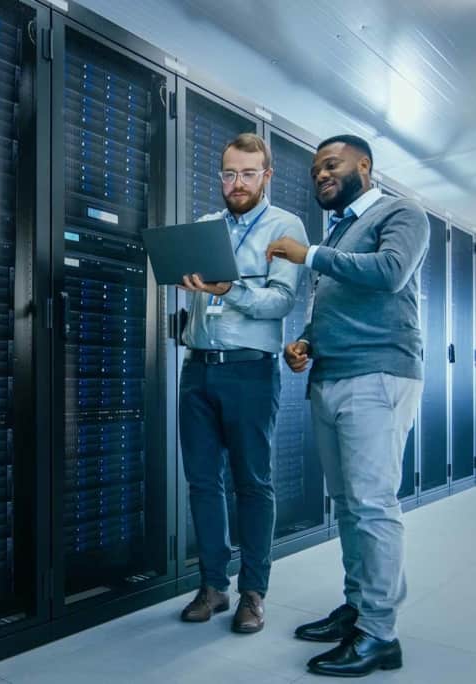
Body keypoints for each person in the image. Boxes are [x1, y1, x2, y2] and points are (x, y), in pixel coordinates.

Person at [267, 134, 429, 676]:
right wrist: (306, 341)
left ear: (365, 164)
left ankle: (380, 634)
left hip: (378, 374)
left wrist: (309, 254)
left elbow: (389, 273)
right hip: (332, 376)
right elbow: (331, 302)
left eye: (330, 166)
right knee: (349, 504)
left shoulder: (401, 213)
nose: (320, 176)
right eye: (315, 171)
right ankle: (359, 607)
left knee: (372, 504)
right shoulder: (339, 232)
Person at [178, 133, 308, 634]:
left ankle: (254, 591)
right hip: (198, 366)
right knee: (202, 481)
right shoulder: (207, 226)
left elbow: (280, 302)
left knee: (252, 482)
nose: (237, 183)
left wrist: (229, 290)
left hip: (250, 369)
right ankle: (213, 586)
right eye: (229, 173)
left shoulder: (284, 226)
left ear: (267, 175)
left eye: (248, 173)